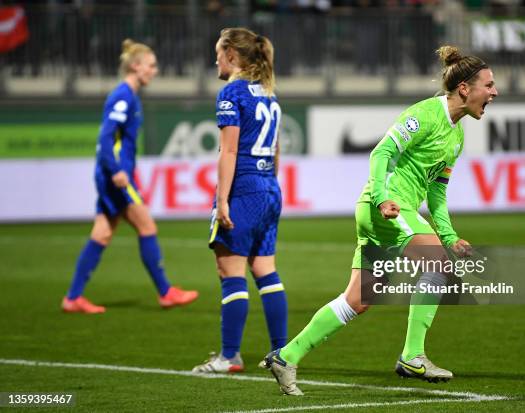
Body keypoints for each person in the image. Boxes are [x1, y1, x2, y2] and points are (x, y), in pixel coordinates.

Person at [262, 45, 498, 395]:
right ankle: (412, 355)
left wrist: (448, 236)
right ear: (465, 88)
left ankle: (287, 355)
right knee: (438, 266)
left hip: (387, 211)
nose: (494, 92)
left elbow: (437, 191)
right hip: (386, 207)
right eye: (489, 85)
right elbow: (382, 151)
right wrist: (382, 196)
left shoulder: (457, 135)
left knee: (358, 300)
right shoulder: (425, 115)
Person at [62, 39, 199, 314]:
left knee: (101, 234)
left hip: (111, 175)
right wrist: (117, 172)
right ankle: (165, 292)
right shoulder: (123, 96)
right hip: (116, 177)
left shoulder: (128, 96)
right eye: (151, 65)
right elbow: (105, 137)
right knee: (147, 227)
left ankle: (73, 298)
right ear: (135, 66)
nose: (155, 71)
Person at [191, 28, 287, 373]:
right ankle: (282, 353)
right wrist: (268, 191)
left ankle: (229, 356)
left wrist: (222, 200)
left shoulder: (231, 92)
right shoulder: (269, 93)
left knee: (229, 270)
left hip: (244, 188)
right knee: (265, 269)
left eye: (218, 52)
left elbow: (229, 150)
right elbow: (276, 149)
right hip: (269, 188)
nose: (214, 58)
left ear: (232, 54)